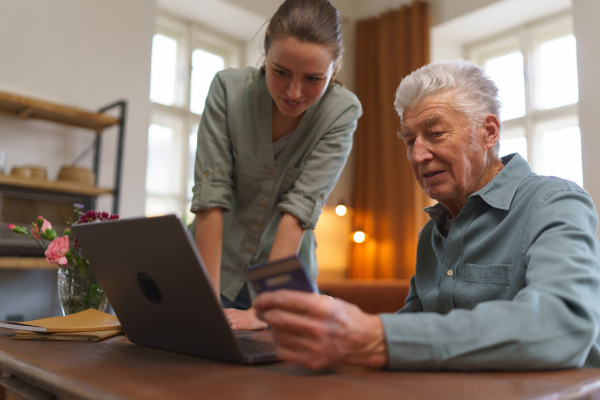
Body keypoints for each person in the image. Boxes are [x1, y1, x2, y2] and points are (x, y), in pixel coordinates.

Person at [253, 59, 600, 370]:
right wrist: (337, 321)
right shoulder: (431, 234)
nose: (418, 155)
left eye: (435, 134)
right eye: (409, 140)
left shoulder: (555, 203)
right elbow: (413, 327)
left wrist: (375, 336)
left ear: (489, 132)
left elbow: (563, 325)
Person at [191, 0, 362, 330]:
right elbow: (210, 200)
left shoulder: (341, 113)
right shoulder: (227, 90)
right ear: (265, 56)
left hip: (282, 282)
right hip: (212, 269)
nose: (294, 92)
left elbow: (298, 211)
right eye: (280, 72)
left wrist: (262, 311)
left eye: (313, 78)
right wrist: (207, 308)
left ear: (334, 69)